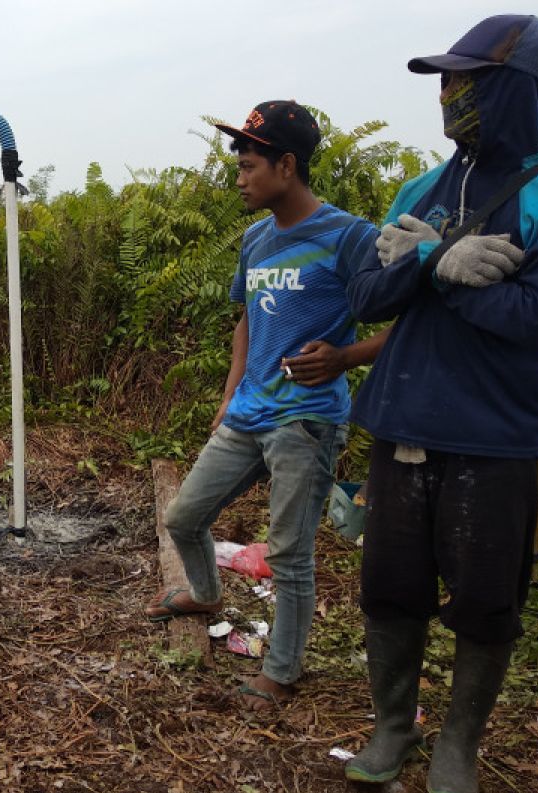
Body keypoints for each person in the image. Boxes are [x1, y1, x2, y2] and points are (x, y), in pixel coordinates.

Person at [343, 16, 538, 793]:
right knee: (390, 589)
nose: (450, 94)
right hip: (402, 427)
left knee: (487, 602)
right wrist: (435, 258)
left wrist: (430, 266)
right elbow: (370, 293)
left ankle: (460, 741)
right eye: (445, 82)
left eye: (465, 80)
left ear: (515, 88)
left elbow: (534, 320)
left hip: (495, 441)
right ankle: (394, 724)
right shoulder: (419, 189)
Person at [143, 101, 389, 712]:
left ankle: (282, 670)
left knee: (288, 554)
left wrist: (343, 357)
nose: (239, 177)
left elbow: (408, 325)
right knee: (183, 516)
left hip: (307, 421)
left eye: (249, 164)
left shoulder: (350, 237)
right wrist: (230, 395)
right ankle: (204, 594)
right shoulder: (255, 238)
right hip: (250, 412)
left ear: (286, 164)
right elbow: (246, 321)